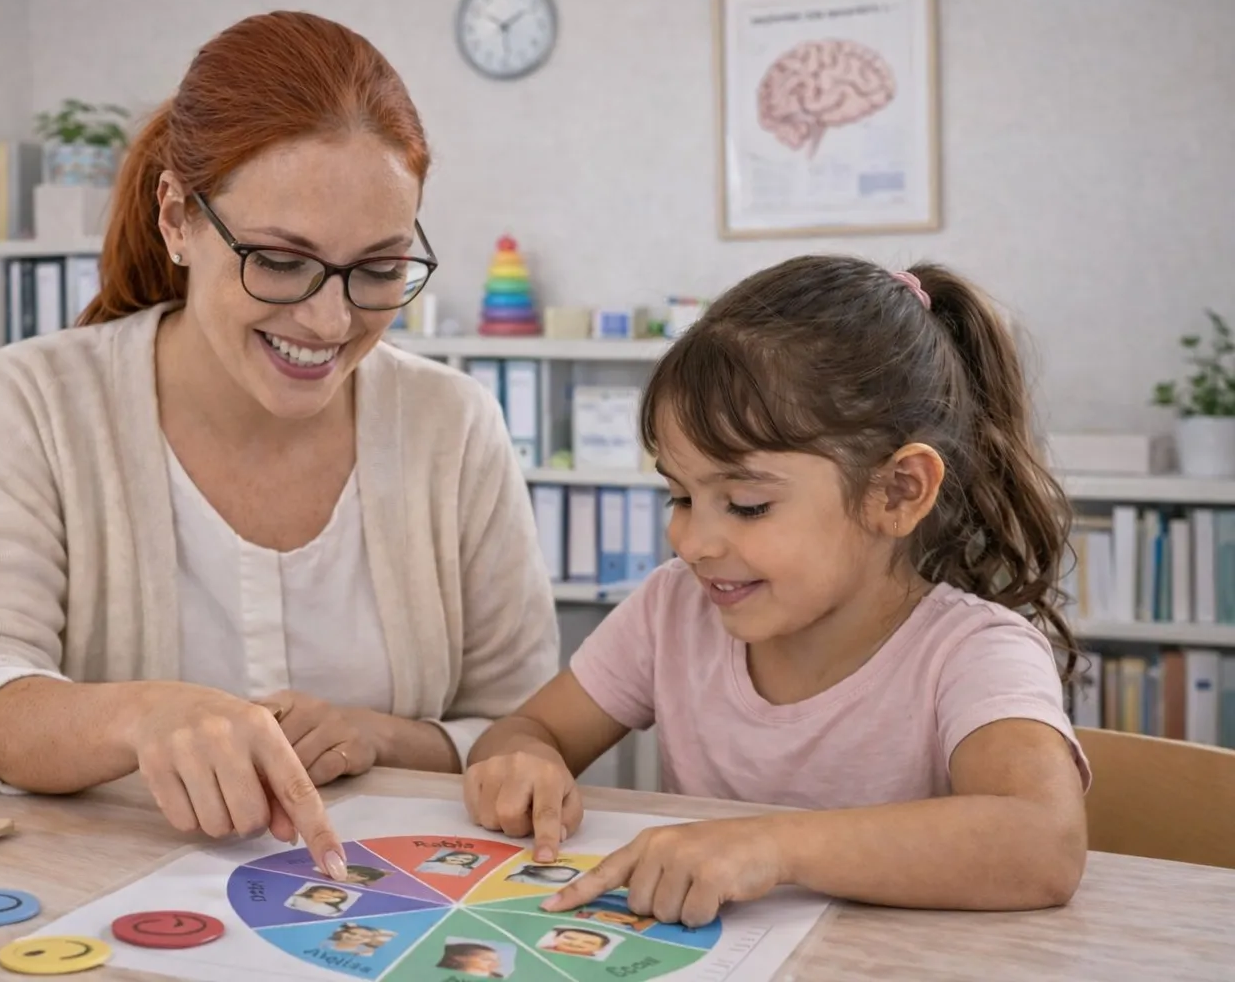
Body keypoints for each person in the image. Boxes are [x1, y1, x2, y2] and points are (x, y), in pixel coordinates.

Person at [0, 10, 558, 883]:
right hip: (95, 911)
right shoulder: (37, 400)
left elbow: (526, 724)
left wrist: (384, 738)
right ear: (177, 219)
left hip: (380, 916)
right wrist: (137, 719)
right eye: (280, 261)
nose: (330, 320)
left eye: (381, 268)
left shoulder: (452, 423)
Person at [462, 256, 1092, 925]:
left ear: (898, 491)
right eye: (679, 495)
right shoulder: (671, 610)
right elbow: (524, 730)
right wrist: (522, 761)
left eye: (746, 504)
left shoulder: (973, 652)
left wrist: (774, 846)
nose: (692, 542)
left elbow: (1042, 845)